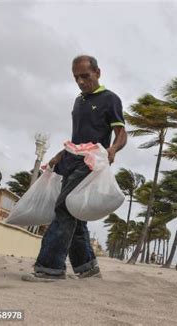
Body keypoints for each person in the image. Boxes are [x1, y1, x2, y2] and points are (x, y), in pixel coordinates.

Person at [23, 55, 127, 281]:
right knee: (76, 213)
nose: (80, 81)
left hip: (91, 163)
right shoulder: (79, 101)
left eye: (85, 76)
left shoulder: (111, 99)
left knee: (64, 208)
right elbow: (77, 136)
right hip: (72, 161)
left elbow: (121, 133)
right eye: (76, 77)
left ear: (98, 73)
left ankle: (50, 268)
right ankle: (87, 267)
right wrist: (61, 154)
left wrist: (113, 149)